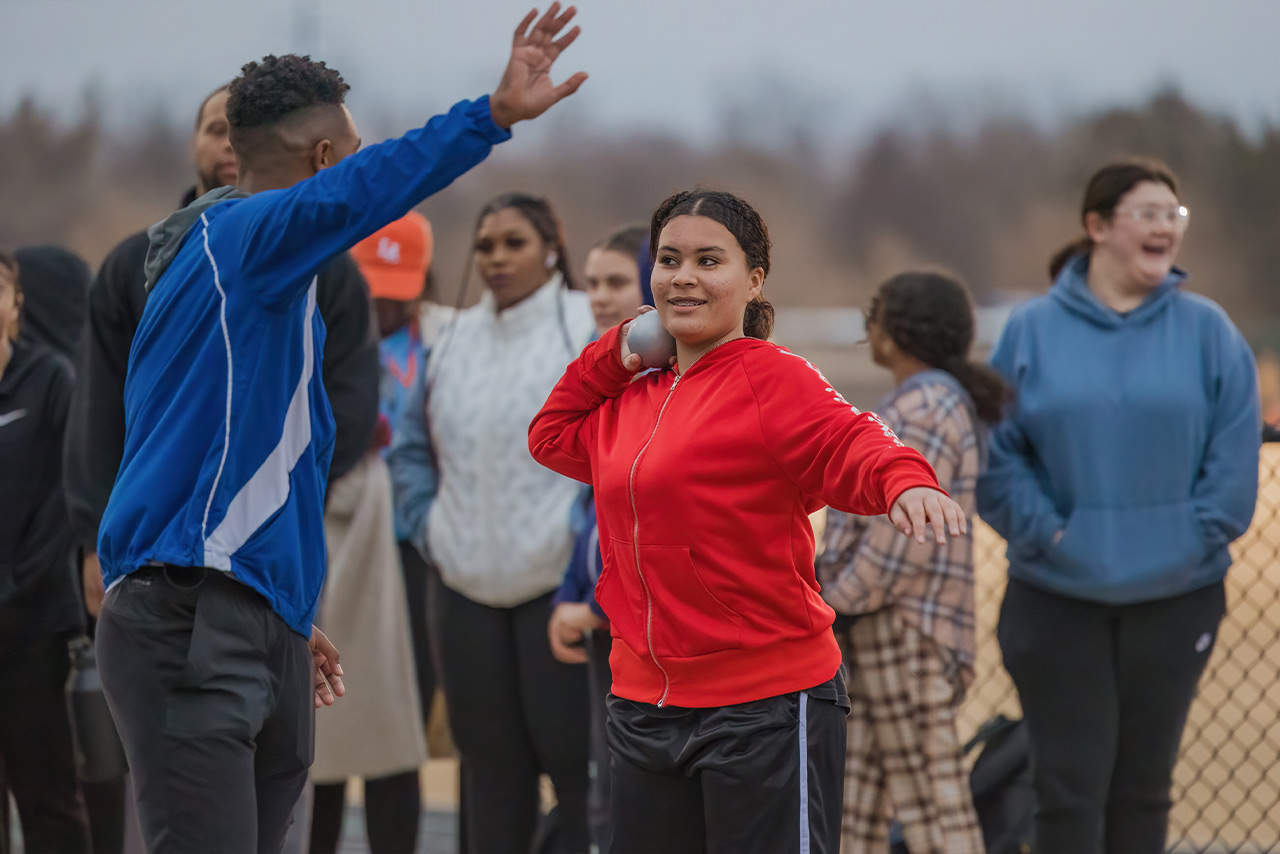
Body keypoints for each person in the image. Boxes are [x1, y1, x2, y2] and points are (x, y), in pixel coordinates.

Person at [91, 7, 587, 853]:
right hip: (187, 617)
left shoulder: (262, 283)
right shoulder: (245, 239)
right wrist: (490, 116)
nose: (355, 175)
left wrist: (280, 598)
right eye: (347, 154)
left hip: (252, 610)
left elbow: (258, 456)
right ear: (323, 161)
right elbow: (373, 184)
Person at [529, 189, 968, 854]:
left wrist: (905, 483)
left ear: (753, 278)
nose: (685, 277)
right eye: (670, 260)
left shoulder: (774, 379)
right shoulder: (633, 396)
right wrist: (620, 348)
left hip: (761, 707)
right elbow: (550, 433)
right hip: (642, 703)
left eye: (710, 261)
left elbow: (855, 441)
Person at [976, 159, 1261, 854]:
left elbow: (1231, 460)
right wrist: (1052, 534)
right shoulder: (1032, 331)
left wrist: (1189, 537)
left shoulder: (1209, 332)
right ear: (1098, 226)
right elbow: (997, 455)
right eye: (1148, 213)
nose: (1165, 227)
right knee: (1067, 792)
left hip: (1178, 594)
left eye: (1174, 215)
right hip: (1056, 595)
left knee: (1142, 791)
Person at [389, 191, 596, 853]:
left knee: (575, 767)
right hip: (462, 586)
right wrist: (430, 529)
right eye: (485, 245)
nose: (497, 258)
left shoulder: (587, 324)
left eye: (515, 243)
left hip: (555, 587)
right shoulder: (448, 336)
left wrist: (581, 543)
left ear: (552, 249)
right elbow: (412, 449)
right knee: (487, 772)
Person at [816, 270, 1000, 853]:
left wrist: (832, 599)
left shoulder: (923, 406)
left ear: (893, 334)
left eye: (874, 316)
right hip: (881, 631)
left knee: (933, 812)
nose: (866, 330)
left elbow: (903, 540)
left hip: (906, 633)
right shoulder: (927, 400)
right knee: (855, 809)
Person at [307, 213, 435, 854]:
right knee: (320, 719)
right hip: (326, 537)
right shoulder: (315, 332)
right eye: (369, 287)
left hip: (413, 553)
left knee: (395, 723)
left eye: (396, 289)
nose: (381, 304)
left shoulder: (436, 344)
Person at [546, 223, 653, 854]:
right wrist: (572, 589)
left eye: (616, 281)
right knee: (603, 788)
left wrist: (597, 602)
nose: (600, 296)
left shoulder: (660, 376)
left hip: (638, 618)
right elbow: (590, 506)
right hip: (598, 612)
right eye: (591, 283)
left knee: (633, 789)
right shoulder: (601, 367)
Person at [0, 250, 92, 854]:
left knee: (49, 798)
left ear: (15, 304)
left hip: (32, 629)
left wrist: (11, 588)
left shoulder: (51, 378)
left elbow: (63, 502)